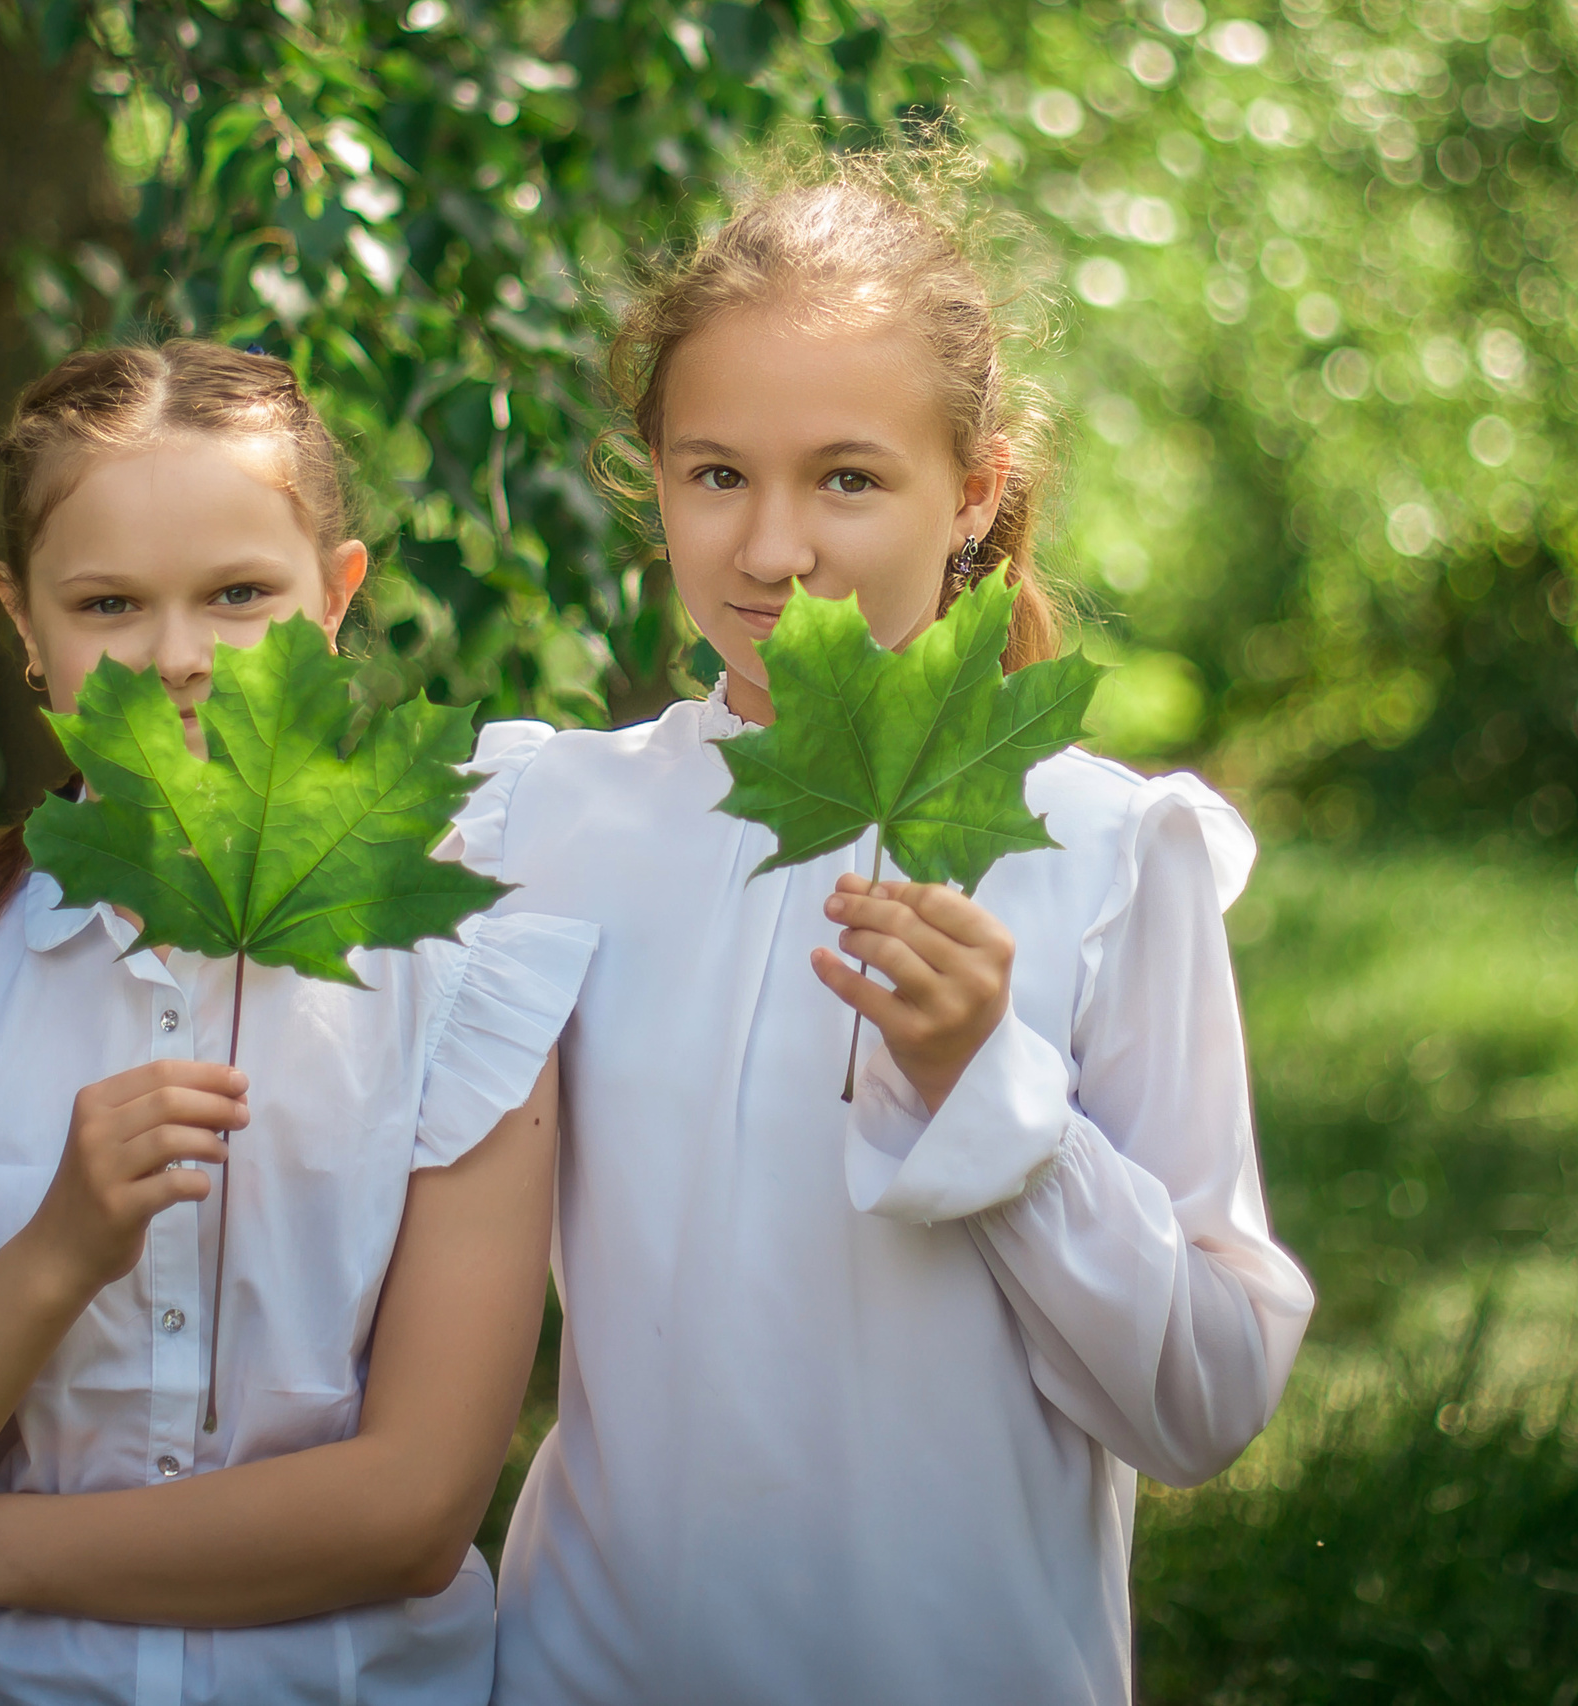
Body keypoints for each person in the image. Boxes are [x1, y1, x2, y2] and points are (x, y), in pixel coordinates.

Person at [464, 146, 1317, 1703]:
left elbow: (1203, 1398)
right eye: (717, 473)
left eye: (847, 478)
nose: (772, 549)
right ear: (652, 476)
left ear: (976, 488)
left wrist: (1000, 1100)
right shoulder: (541, 827)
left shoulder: (1108, 849)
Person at [0, 341, 596, 1706]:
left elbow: (415, 1505)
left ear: (338, 595)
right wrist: (57, 1251)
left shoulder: (468, 986)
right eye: (106, 604)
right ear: (19, 620)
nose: (175, 657)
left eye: (240, 594)